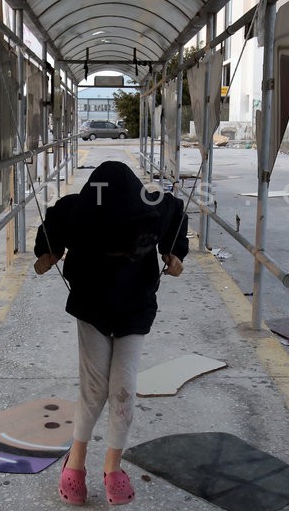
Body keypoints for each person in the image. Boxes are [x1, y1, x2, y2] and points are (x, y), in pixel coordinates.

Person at [34, 160, 188, 506]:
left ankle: (112, 465)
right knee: (93, 388)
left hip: (135, 303)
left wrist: (174, 252)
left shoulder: (153, 211)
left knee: (123, 388)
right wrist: (47, 252)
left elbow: (177, 213)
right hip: (92, 303)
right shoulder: (77, 213)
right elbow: (51, 227)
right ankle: (75, 462)